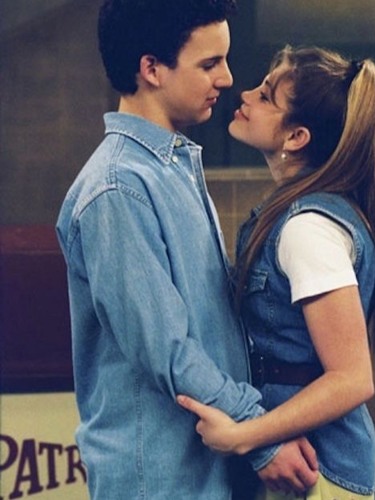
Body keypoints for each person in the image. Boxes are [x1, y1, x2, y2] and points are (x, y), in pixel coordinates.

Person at [56, 3, 319, 498]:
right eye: (209, 63)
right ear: (151, 69)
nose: (227, 78)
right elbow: (169, 351)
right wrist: (261, 437)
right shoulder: (117, 188)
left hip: (209, 470)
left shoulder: (170, 167)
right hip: (160, 481)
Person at [177, 45, 375, 499]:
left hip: (317, 472)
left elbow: (352, 378)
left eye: (266, 96)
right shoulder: (295, 214)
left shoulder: (308, 229)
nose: (245, 94)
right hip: (303, 470)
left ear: (296, 137)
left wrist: (245, 436)